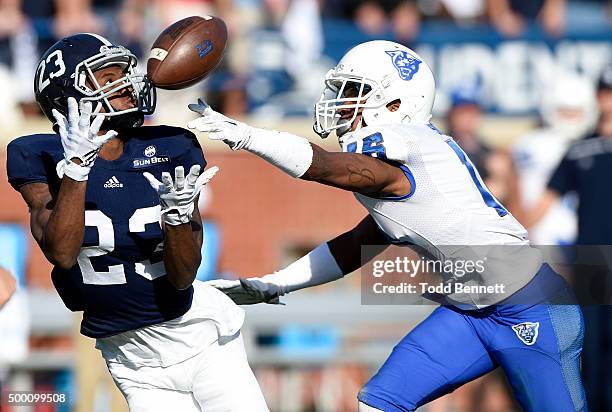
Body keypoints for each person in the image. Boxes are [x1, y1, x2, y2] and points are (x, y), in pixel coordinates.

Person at [189, 40, 586, 411]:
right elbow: (357, 243)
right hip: (470, 312)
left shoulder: (408, 151)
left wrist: (249, 137)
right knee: (380, 402)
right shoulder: (400, 169)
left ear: (396, 105)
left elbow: (325, 168)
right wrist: (277, 282)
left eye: (354, 93)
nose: (340, 105)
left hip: (532, 309)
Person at [6, 33, 268, 412]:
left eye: (123, 74)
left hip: (199, 339)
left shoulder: (171, 146)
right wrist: (78, 170)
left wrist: (177, 218)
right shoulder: (37, 155)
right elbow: (62, 252)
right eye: (109, 78)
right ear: (68, 96)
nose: (127, 84)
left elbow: (183, 278)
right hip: (132, 360)